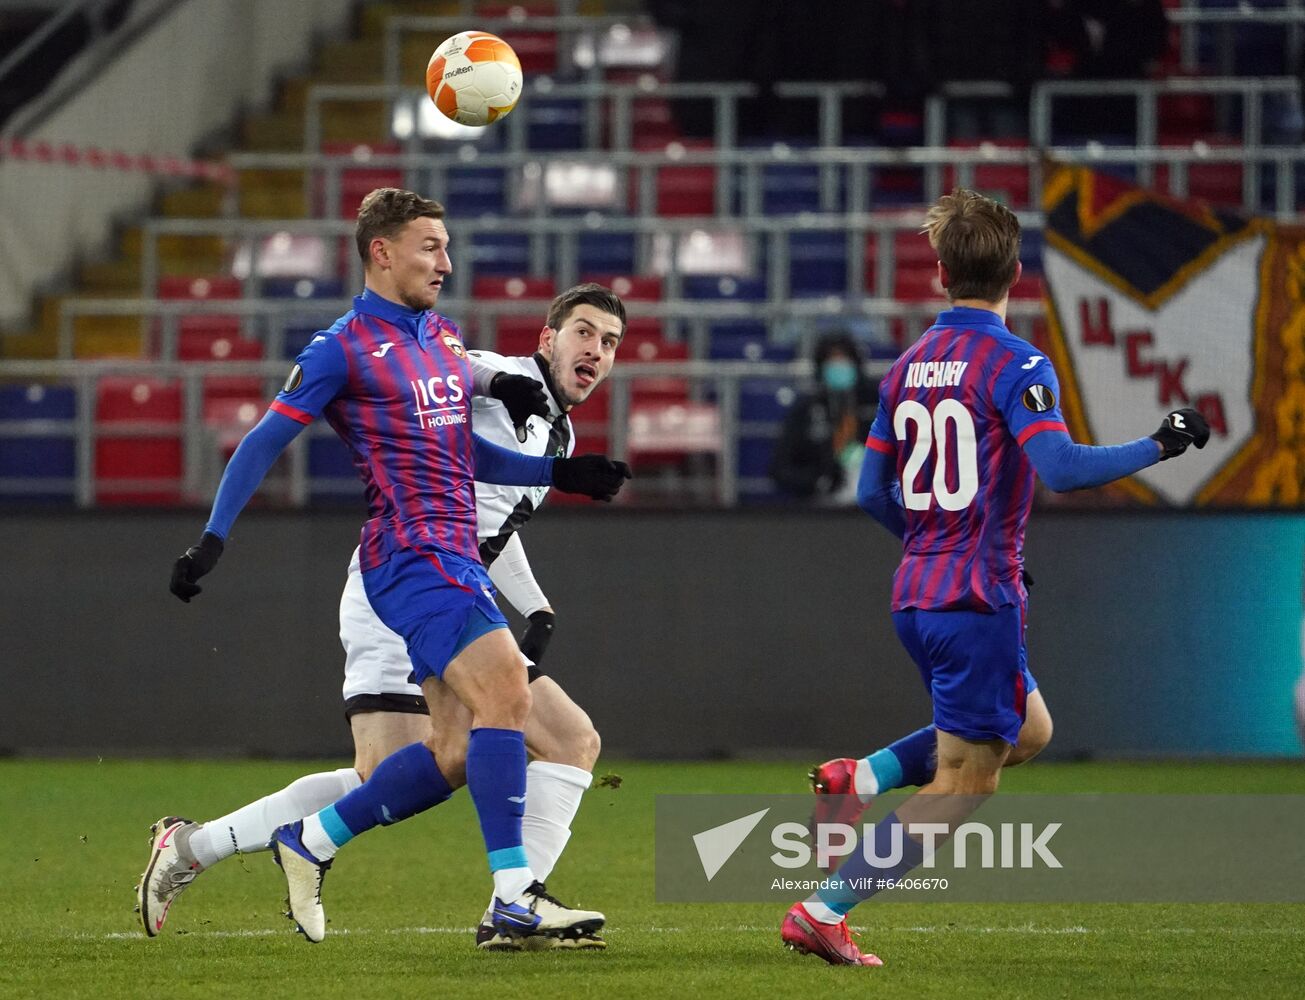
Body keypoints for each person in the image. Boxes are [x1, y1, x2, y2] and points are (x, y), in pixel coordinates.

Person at [158, 189, 630, 947]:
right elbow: (263, 442)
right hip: (407, 563)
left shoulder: (440, 338)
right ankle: (512, 898)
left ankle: (267, 845)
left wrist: (554, 477)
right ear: (382, 251)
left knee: (460, 752)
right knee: (483, 712)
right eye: (430, 247)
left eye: (610, 341)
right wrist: (214, 537)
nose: (446, 262)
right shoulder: (344, 347)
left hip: (451, 568)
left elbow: (460, 451)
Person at [781, 188, 1211, 967]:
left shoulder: (907, 367)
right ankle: (822, 909)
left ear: (941, 273)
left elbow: (875, 492)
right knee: (966, 781)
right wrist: (1161, 443)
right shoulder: (1016, 362)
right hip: (977, 596)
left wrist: (933, 546)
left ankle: (861, 774)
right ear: (1017, 270)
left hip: (917, 592)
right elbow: (1061, 467)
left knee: (1028, 729)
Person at [770, 332, 879, 505]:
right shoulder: (806, 410)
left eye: (844, 359)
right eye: (832, 360)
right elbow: (780, 468)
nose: (839, 366)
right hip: (822, 507)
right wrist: (820, 480)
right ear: (821, 367)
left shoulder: (879, 404)